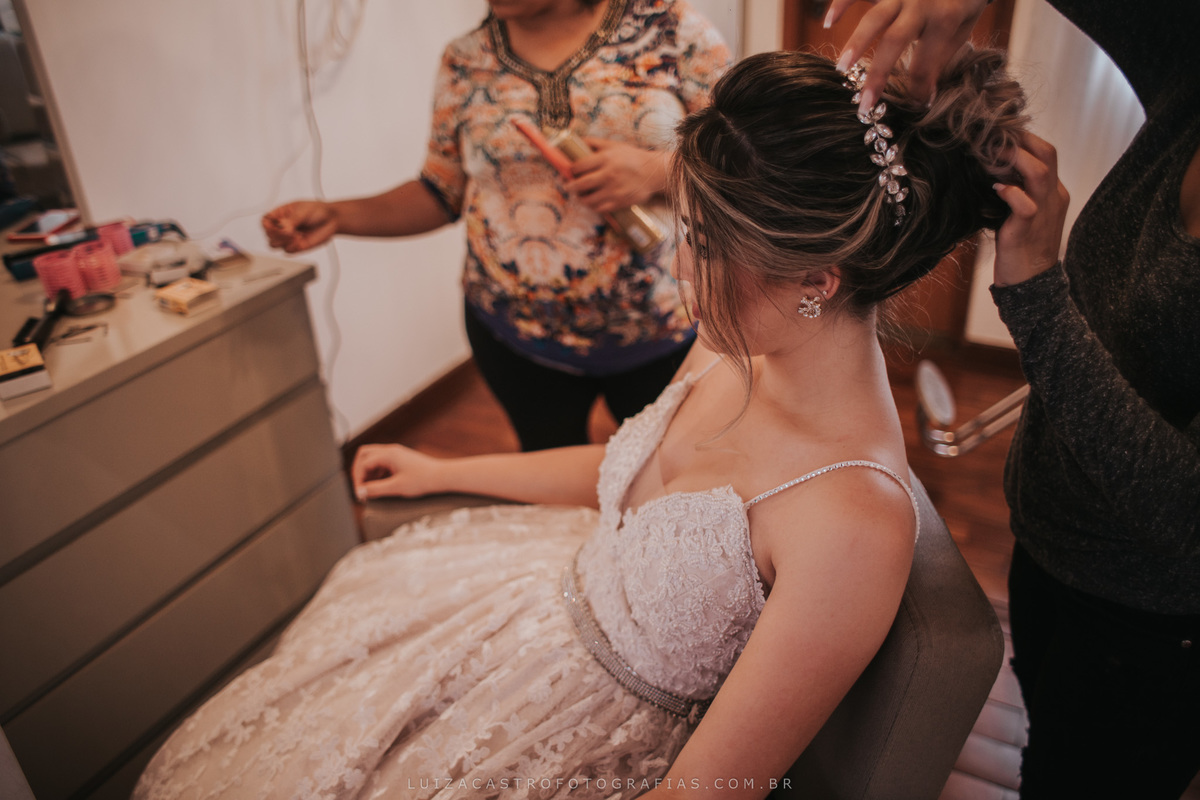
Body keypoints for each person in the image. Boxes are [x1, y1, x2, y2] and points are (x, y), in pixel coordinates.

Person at [135, 47, 1029, 798]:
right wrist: (444, 470)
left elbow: (706, 792)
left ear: (815, 281)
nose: (677, 266)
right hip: (532, 610)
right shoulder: (737, 345)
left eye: (701, 244)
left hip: (586, 734)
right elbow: (626, 469)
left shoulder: (850, 520)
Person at [827, 1, 1200, 797]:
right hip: (1045, 536)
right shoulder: (1189, 75)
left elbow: (1188, 513)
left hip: (1158, 622)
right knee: (1047, 729)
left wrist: (1036, 295)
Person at [263, 0, 731, 451]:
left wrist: (657, 171)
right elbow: (440, 191)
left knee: (667, 479)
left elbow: (746, 161)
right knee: (546, 481)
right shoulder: (466, 61)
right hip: (514, 335)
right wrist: (337, 216)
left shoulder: (672, 29)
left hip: (667, 331)